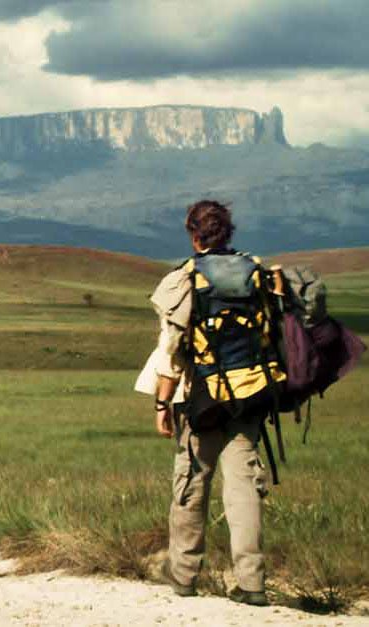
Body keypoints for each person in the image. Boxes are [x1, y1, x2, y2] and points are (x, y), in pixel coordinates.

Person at [137, 200, 274, 606]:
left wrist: (162, 406)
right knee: (244, 488)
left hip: (203, 400)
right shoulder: (258, 272)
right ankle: (251, 583)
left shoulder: (185, 279)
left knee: (192, 483)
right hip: (250, 393)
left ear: (192, 232)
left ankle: (183, 574)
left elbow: (172, 352)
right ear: (228, 231)